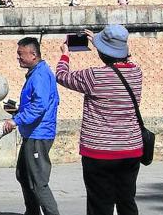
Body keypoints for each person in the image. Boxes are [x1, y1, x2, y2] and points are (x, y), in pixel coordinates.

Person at [55, 24, 143, 215]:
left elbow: (61, 76)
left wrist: (65, 54)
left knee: (99, 205)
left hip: (99, 151)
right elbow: (129, 59)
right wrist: (101, 42)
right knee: (127, 201)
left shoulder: (93, 76)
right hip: (130, 149)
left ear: (102, 53)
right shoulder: (136, 73)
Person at [2, 37, 61, 215]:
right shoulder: (36, 73)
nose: (18, 58)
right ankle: (32, 211)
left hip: (39, 134)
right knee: (23, 174)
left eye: (21, 54)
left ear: (33, 54)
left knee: (38, 181)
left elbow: (40, 105)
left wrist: (15, 120)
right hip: (32, 133)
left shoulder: (41, 75)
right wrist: (17, 111)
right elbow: (35, 103)